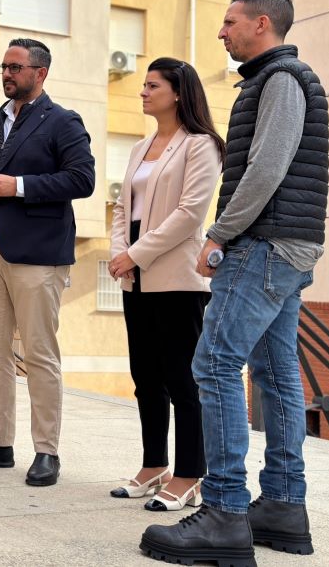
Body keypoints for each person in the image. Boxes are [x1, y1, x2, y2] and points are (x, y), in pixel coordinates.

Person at [140, 0, 328, 565]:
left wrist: (220, 234)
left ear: (261, 24)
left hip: (265, 245)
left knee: (214, 364)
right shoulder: (275, 80)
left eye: (230, 23)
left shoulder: (280, 80)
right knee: (274, 373)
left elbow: (268, 166)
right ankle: (282, 507)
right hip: (286, 246)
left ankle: (224, 510)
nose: (222, 32)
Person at [0, 38, 95, 487]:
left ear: (40, 73)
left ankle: (47, 450)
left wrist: (20, 186)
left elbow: (82, 178)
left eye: (15, 67)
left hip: (38, 254)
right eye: (3, 67)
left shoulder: (63, 121)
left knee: (38, 353)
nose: (7, 74)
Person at [108, 58, 223, 511]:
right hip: (135, 276)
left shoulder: (201, 146)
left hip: (176, 276)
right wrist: (123, 254)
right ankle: (154, 465)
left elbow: (190, 214)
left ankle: (191, 474)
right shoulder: (140, 146)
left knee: (182, 379)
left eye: (152, 85)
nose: (143, 92)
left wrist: (134, 253)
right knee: (145, 377)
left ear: (177, 92)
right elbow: (122, 207)